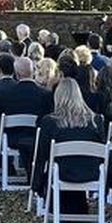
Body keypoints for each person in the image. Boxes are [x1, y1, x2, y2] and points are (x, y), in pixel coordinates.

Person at [32, 78, 106, 213]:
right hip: (91, 172)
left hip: (61, 173)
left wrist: (36, 185)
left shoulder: (49, 122)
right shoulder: (96, 121)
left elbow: (42, 156)